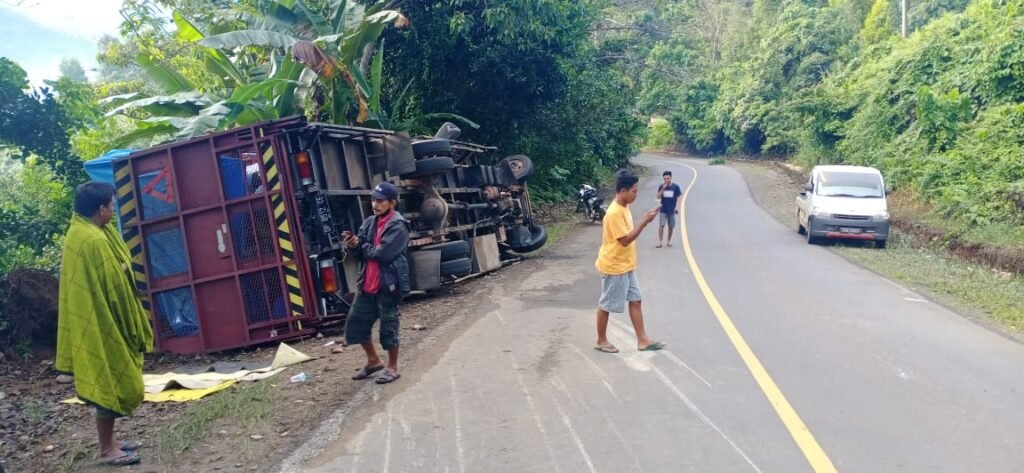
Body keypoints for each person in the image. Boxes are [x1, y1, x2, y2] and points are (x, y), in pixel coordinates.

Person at [55, 182, 154, 467]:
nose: (114, 211)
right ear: (100, 210)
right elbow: (111, 288)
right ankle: (106, 450)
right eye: (112, 206)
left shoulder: (87, 231)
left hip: (101, 317)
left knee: (114, 378)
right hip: (102, 322)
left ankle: (112, 442)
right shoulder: (92, 241)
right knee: (109, 382)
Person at [342, 182, 411, 384]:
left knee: (389, 328)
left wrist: (362, 245)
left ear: (392, 203)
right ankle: (373, 361)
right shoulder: (369, 222)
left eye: (380, 201)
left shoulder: (399, 226)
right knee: (356, 324)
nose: (375, 204)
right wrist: (353, 244)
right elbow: (361, 251)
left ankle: (392, 367)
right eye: (373, 200)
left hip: (388, 285)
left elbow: (383, 253)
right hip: (367, 283)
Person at [594, 169, 666, 353]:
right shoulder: (614, 213)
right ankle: (601, 340)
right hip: (614, 265)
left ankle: (643, 340)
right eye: (634, 191)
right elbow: (625, 240)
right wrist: (644, 222)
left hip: (626, 265)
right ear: (623, 190)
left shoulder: (624, 207)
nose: (636, 194)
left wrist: (645, 219)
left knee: (635, 300)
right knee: (607, 304)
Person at [656, 170, 683, 248]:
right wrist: (663, 189)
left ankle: (668, 241)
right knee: (661, 225)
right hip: (663, 209)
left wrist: (677, 207)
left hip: (671, 210)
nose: (666, 180)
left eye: (668, 178)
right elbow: (658, 196)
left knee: (671, 226)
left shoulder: (675, 187)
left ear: (671, 178)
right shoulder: (661, 186)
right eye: (665, 179)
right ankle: (660, 242)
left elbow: (678, 197)